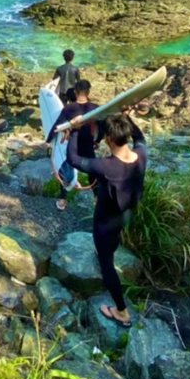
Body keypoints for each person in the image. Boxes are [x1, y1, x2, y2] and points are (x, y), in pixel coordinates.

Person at [62, 111, 147, 327]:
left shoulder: (105, 166)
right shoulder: (141, 156)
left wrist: (73, 130)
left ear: (108, 139)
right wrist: (128, 120)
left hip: (105, 222)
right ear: (126, 136)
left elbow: (73, 159)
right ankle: (108, 249)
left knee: (106, 263)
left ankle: (121, 312)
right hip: (125, 214)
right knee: (112, 241)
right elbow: (141, 139)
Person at [48, 79, 98, 210]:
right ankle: (97, 198)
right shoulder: (95, 108)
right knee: (92, 171)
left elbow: (56, 127)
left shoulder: (69, 108)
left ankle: (63, 200)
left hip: (73, 144)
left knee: (67, 169)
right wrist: (97, 141)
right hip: (88, 144)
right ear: (88, 92)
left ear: (75, 92)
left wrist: (48, 141)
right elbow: (102, 127)